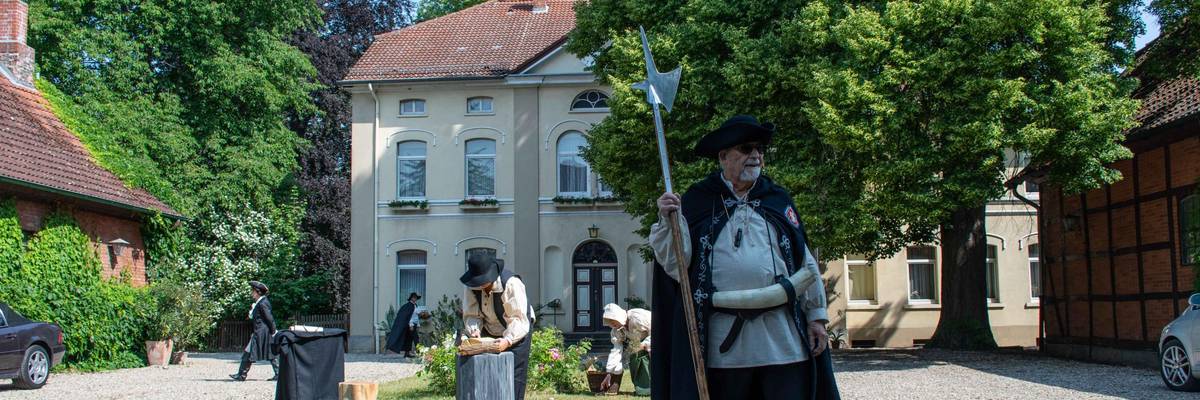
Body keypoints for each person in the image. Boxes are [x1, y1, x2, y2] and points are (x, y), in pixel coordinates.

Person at [650, 115, 841, 399]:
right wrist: (668, 222)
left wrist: (816, 317)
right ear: (723, 156)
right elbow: (678, 267)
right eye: (746, 148)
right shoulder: (698, 201)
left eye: (760, 149)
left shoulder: (777, 199)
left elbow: (804, 262)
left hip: (782, 340)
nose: (755, 156)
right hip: (722, 347)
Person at [460, 252, 535, 400]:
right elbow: (472, 314)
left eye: (483, 281)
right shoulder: (471, 286)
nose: (480, 285)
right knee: (487, 371)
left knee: (514, 375)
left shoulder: (511, 283)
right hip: (489, 328)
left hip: (518, 329)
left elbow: (518, 319)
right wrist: (474, 331)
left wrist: (507, 341)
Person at [230, 281, 278, 381]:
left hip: (262, 332)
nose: (252, 293)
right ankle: (242, 374)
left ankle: (241, 375)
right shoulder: (260, 302)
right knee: (269, 352)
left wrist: (274, 331)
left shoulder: (262, 303)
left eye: (253, 291)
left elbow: (269, 318)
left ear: (258, 292)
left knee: (253, 352)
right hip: (261, 331)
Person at [602, 303, 652, 396]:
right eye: (610, 321)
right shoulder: (616, 331)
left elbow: (658, 329)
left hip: (657, 341)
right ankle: (643, 389)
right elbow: (616, 351)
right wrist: (609, 373)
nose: (612, 324)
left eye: (613, 320)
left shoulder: (638, 316)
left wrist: (646, 344)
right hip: (638, 346)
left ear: (618, 316)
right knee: (634, 359)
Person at [386, 292, 421, 357]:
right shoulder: (408, 306)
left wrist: (418, 325)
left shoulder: (415, 305)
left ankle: (407, 353)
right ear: (411, 298)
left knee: (409, 339)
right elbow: (408, 316)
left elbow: (415, 316)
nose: (415, 299)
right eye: (414, 297)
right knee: (416, 338)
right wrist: (411, 325)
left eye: (416, 297)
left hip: (414, 325)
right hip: (411, 325)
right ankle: (419, 352)